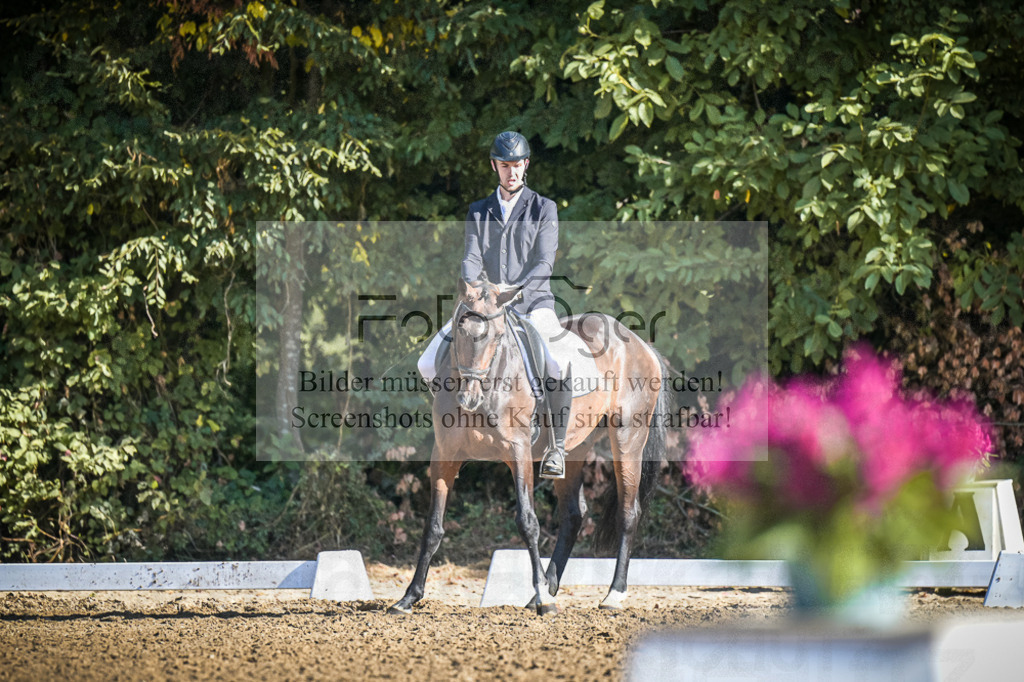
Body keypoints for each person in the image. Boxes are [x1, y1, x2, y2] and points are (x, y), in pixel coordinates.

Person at [417, 131, 576, 479]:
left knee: (558, 361)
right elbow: (470, 259)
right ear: (494, 166)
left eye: (517, 165)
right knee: (428, 362)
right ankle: (455, 430)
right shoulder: (478, 211)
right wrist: (476, 290)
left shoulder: (543, 208)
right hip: (485, 306)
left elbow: (544, 263)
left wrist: (514, 291)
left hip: (533, 302)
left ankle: (557, 449)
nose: (512, 172)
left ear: (526, 165)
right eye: (505, 166)